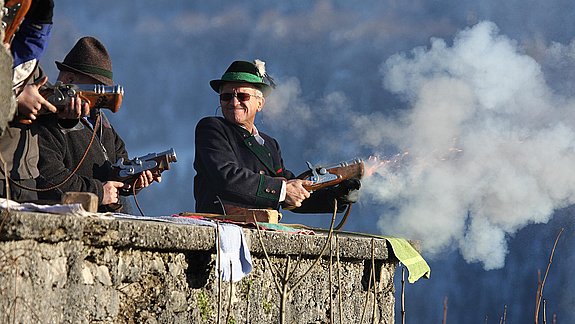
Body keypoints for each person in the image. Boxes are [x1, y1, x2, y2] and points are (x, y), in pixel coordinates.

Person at [194, 60, 359, 215]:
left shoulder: (270, 145)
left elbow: (293, 193)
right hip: (222, 226)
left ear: (260, 103)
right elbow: (226, 177)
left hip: (262, 228)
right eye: (227, 96)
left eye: (243, 96)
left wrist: (337, 196)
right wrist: (283, 190)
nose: (234, 102)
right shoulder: (212, 128)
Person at [35, 36, 160, 212]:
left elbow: (118, 163)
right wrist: (98, 192)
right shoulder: (44, 120)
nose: (101, 97)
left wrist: (133, 180)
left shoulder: (101, 121)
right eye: (96, 89)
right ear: (69, 81)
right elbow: (49, 179)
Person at [0, 0, 58, 201]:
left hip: (24, 177)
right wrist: (15, 99)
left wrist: (67, 119)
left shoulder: (30, 68)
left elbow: (35, 37)